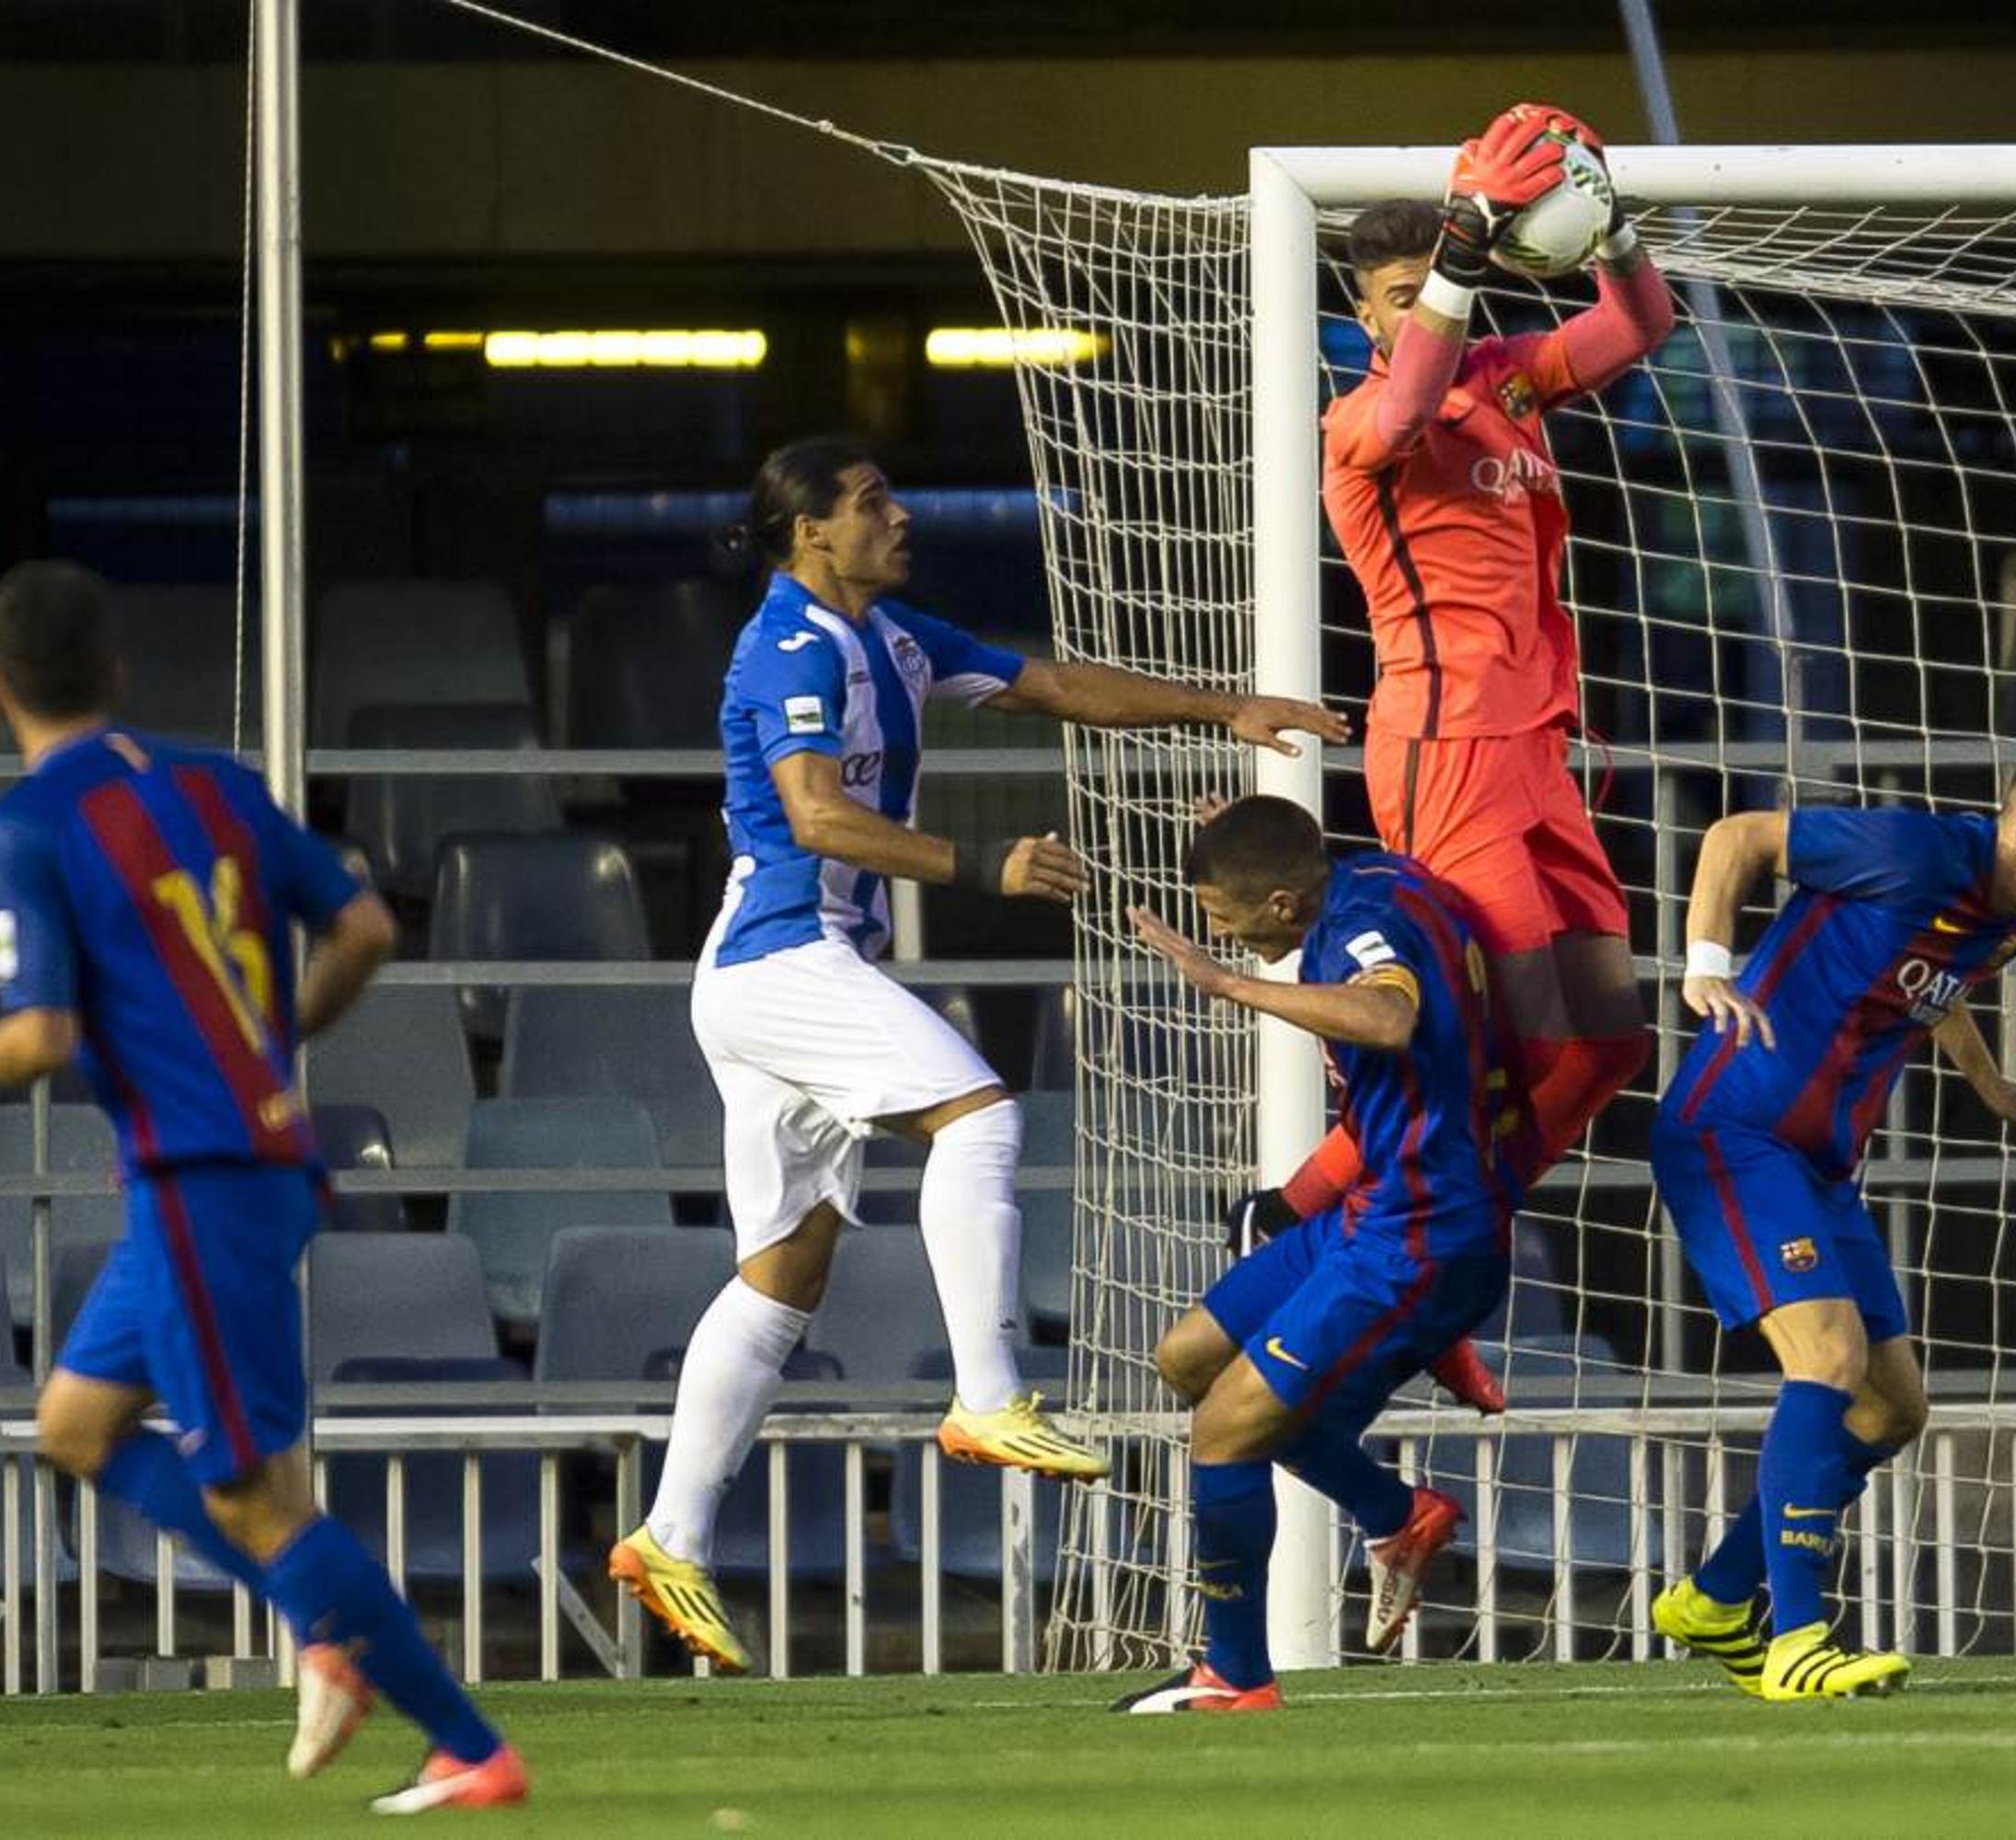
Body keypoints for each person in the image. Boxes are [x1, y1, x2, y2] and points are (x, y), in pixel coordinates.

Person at [609, 437, 1348, 1673]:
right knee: (983, 1115)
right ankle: (990, 1395)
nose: (899, 516)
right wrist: (978, 867)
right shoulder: (788, 645)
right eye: (871, 503)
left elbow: (1052, 686)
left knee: (787, 1275)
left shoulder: (893, 637)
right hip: (780, 962)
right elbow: (816, 815)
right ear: (810, 535)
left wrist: (1228, 710)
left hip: (791, 973)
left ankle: (669, 1535)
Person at [0, 561, 525, 1812]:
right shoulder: (215, 783)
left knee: (253, 1499)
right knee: (75, 1428)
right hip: (235, 1167)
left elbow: (32, 1038)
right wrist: (274, 1036)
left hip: (204, 1181)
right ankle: (316, 1613)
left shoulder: (23, 825)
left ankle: (461, 1739)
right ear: (118, 674)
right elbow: (366, 928)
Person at [1242, 102, 1680, 1413]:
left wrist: (1612, 227)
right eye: (1392, 293)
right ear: (1366, 314)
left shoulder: (1506, 379)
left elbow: (1641, 327)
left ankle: (1324, 1213)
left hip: (1543, 743)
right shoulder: (1362, 421)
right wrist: (1458, 253)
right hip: (1446, 744)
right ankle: (1382, 1248)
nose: (1419, 307)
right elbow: (1408, 401)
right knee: (1496, 1034)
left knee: (1605, 1042)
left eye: (1423, 282)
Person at [1647, 743, 2016, 1699]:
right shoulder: (1912, 851)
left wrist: (1989, 1081)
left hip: (1820, 1166)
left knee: (1891, 1408)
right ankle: (1796, 1636)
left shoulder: (2011, 916)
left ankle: (1713, 1598)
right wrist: (1706, 967)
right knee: (1828, 1359)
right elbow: (1736, 835)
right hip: (1733, 1129)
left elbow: (1929, 985)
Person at [1113, 795, 1533, 1711]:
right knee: (1187, 1358)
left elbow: (1386, 1018)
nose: (1217, 936)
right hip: (1372, 1207)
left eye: (1226, 920)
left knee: (1223, 1428)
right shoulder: (1377, 874)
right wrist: (1246, 831)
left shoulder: (1360, 928)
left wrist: (1229, 988)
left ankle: (1233, 1674)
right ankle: (1394, 1512)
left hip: (1419, 1231)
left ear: (1280, 903)